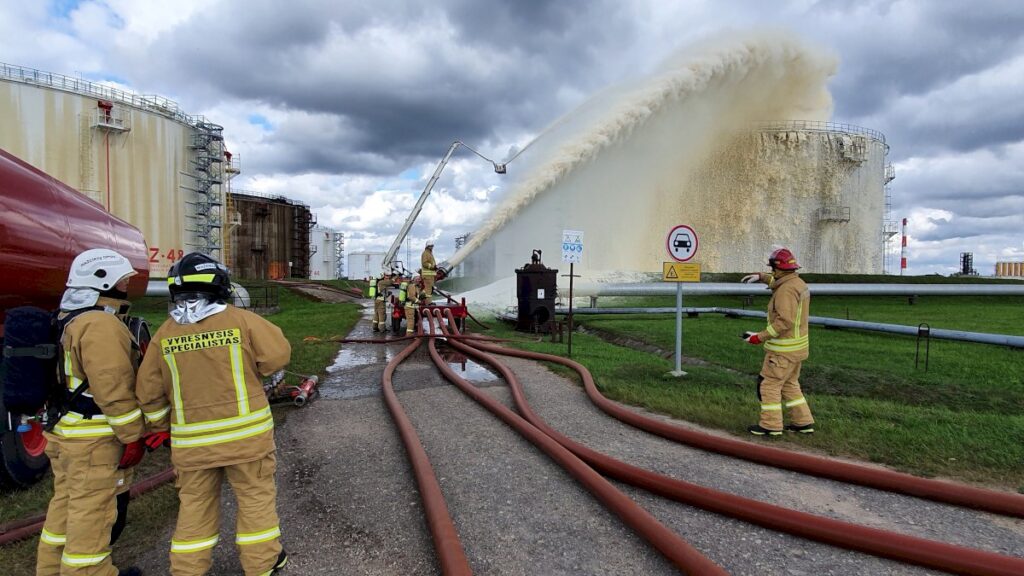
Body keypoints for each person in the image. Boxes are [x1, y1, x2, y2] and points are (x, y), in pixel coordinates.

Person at [135, 253, 291, 576]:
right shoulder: (241, 321)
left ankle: (187, 571)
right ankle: (262, 565)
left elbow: (148, 392)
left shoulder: (165, 335)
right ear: (220, 285)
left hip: (192, 447)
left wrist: (162, 425)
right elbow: (278, 355)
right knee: (255, 502)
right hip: (247, 442)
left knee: (194, 511)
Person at [36, 248, 147, 576]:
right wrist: (133, 436)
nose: (126, 288)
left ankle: (50, 570)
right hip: (95, 442)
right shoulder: (100, 325)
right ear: (104, 282)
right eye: (122, 282)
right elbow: (113, 389)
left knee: (63, 514)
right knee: (92, 519)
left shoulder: (66, 317)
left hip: (66, 435)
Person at [740, 247, 815, 437]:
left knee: (769, 385)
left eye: (772, 268)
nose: (772, 271)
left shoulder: (785, 292)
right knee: (790, 385)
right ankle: (803, 422)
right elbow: (780, 282)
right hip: (797, 349)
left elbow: (784, 322)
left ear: (778, 268)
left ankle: (771, 425)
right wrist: (762, 277)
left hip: (782, 350)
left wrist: (759, 336)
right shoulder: (798, 283)